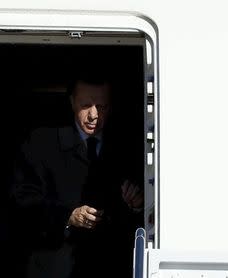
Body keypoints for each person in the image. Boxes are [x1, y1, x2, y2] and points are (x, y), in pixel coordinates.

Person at [9, 71, 144, 278]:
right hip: (54, 267)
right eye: (85, 105)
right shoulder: (41, 143)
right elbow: (22, 204)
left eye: (101, 106)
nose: (93, 115)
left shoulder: (129, 145)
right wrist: (68, 217)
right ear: (72, 102)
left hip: (111, 264)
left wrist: (137, 203)